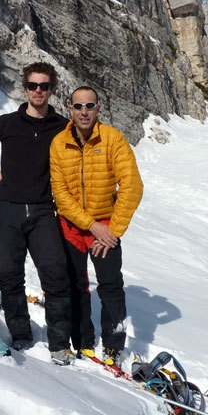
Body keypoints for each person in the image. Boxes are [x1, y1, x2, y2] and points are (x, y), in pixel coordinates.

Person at [0, 62, 75, 365]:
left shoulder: (62, 126)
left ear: (52, 90)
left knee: (54, 272)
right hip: (8, 209)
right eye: (33, 86)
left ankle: (60, 343)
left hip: (42, 210)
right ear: (25, 89)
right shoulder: (8, 123)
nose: (39, 91)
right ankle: (21, 334)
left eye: (45, 86)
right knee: (10, 275)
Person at [49, 86, 143, 366]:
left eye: (90, 105)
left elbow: (132, 186)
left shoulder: (113, 139)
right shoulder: (58, 143)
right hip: (73, 226)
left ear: (98, 108)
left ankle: (114, 345)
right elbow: (60, 194)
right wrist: (91, 226)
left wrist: (112, 231)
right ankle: (82, 340)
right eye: (78, 106)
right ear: (70, 109)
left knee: (111, 285)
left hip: (106, 227)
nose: (84, 111)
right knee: (76, 284)